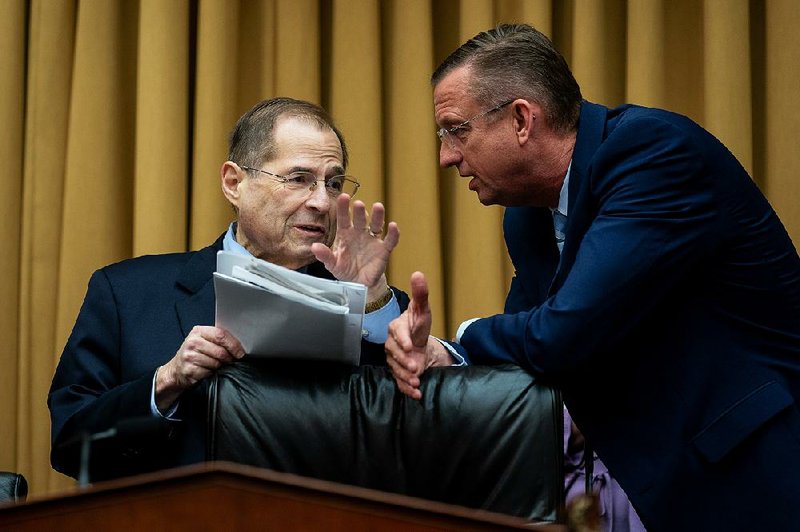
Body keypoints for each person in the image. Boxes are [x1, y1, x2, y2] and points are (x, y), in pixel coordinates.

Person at [385, 24, 800, 531]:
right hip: (655, 478)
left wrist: (463, 338)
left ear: (520, 119)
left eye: (456, 129)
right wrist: (437, 354)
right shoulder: (528, 213)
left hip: (751, 475)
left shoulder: (654, 156)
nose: (447, 156)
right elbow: (530, 343)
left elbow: (564, 332)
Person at [49, 97, 407, 481]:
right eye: (299, 179)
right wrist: (165, 383)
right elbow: (71, 444)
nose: (322, 201)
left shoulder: (377, 305)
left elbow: (408, 444)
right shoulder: (126, 293)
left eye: (333, 182)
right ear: (234, 183)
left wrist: (371, 297)